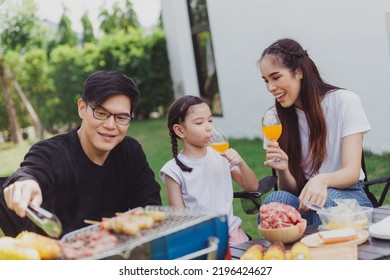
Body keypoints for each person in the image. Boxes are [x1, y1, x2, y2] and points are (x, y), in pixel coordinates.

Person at [1, 70, 162, 237]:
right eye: (101, 113)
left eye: (121, 117)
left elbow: (150, 209)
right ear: (82, 108)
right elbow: (31, 172)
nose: (110, 125)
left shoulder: (130, 152)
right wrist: (25, 182)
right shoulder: (52, 152)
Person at [258, 38, 373, 225]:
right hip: (303, 198)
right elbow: (291, 191)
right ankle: (287, 252)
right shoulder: (273, 119)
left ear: (299, 71)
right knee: (275, 201)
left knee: (325, 201)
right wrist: (285, 170)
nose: (270, 88)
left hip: (348, 195)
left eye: (276, 77)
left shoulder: (345, 102)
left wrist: (322, 181)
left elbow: (352, 171)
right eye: (266, 81)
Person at [159, 95, 258, 245]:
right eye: (199, 122)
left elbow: (252, 187)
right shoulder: (173, 171)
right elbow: (179, 218)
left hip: (231, 233)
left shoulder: (220, 154)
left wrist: (241, 163)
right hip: (200, 239)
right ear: (180, 131)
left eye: (210, 120)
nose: (209, 127)